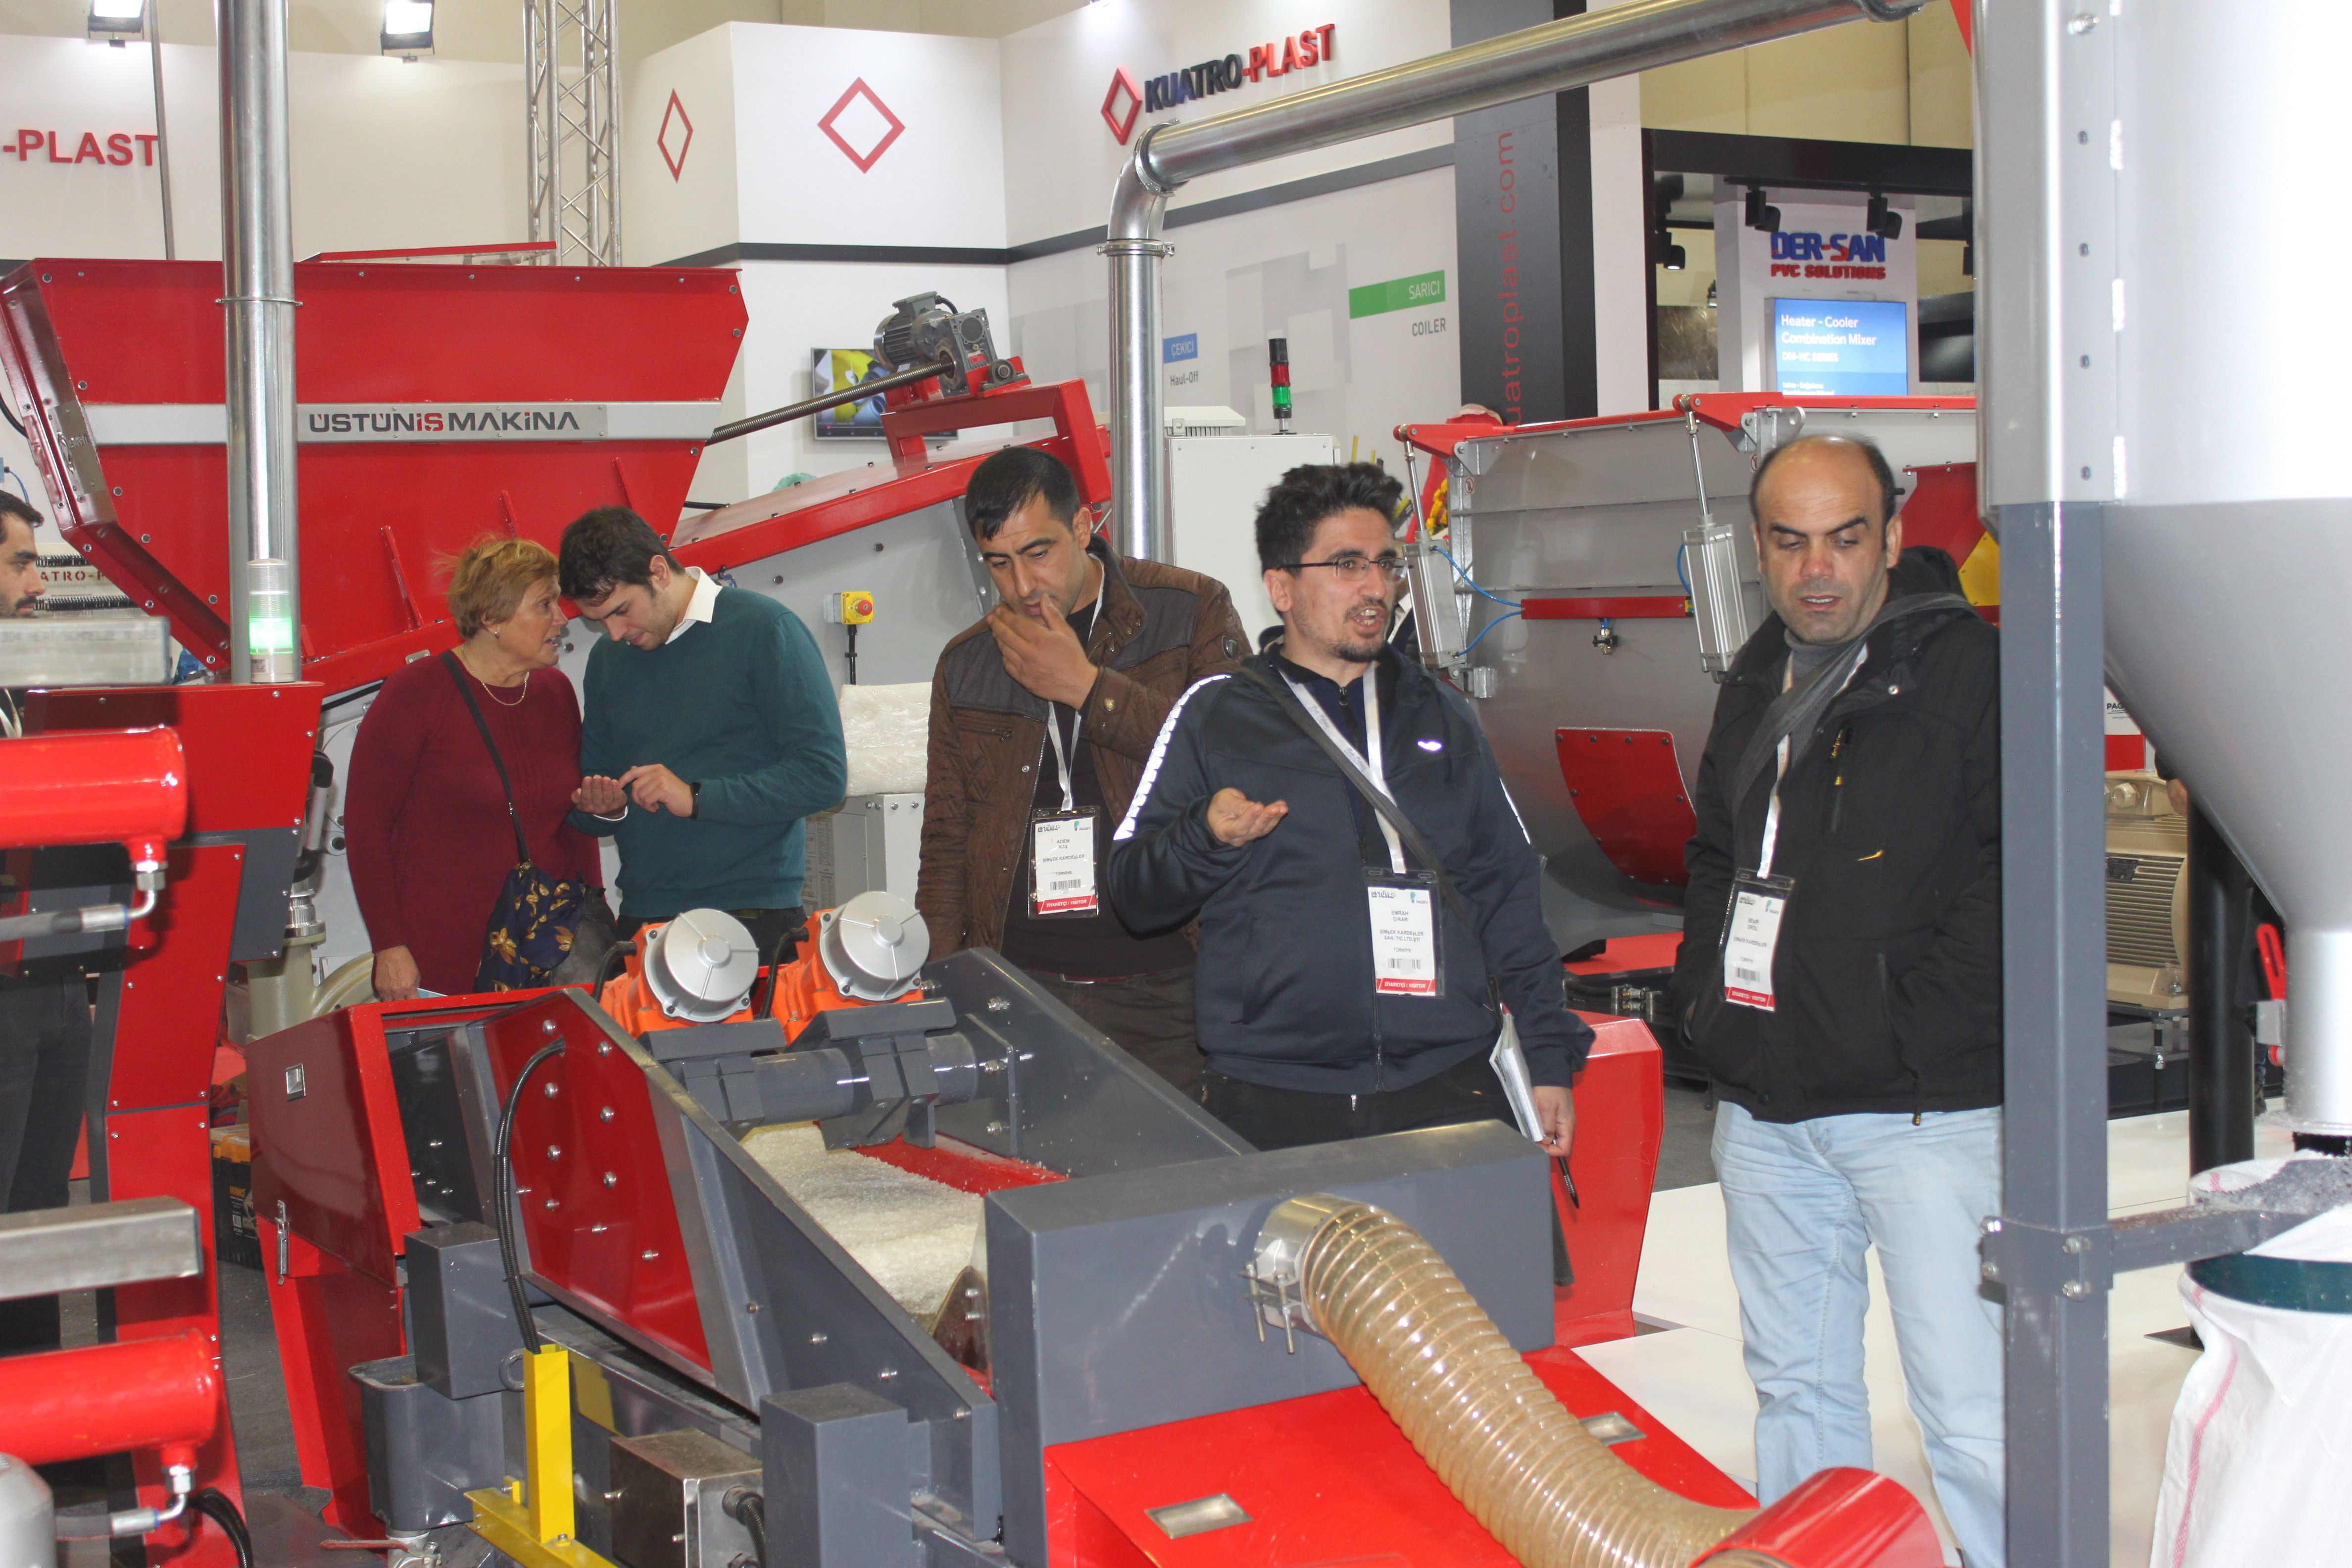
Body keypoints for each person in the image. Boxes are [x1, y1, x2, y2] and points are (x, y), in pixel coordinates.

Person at [1666, 435, 2004, 1565]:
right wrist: (1709, 1005)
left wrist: (1916, 1026)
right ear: (1757, 546)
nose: (1817, 568)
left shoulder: (1970, 671)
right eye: (1790, 540)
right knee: (1797, 1394)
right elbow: (1717, 852)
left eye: (1844, 537)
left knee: (1972, 1414)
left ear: (1892, 536)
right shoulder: (1757, 669)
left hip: (1921, 1112)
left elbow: (2021, 870)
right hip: (1767, 1105)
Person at [1105, 462, 1587, 1150]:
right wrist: (1203, 837)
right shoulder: (1214, 716)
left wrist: (1547, 1056)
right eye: (1347, 565)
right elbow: (1133, 892)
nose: (1376, 588)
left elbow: (1507, 893)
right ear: (1281, 588)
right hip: (1275, 1096)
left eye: (1386, 564)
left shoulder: (1442, 715)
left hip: (1450, 1082)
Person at [916, 447, 1246, 1093]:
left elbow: (1233, 760)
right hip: (1020, 986)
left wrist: (1091, 690)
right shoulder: (968, 662)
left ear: (1082, 525)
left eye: (1038, 552)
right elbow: (947, 839)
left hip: (1166, 984)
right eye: (998, 563)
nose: (1022, 585)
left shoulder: (1187, 609)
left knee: (1170, 1157)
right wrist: (939, 987)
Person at [560, 507, 845, 956]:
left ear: (658, 572)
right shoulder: (607, 662)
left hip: (752, 919)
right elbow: (593, 792)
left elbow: (823, 778)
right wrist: (604, 808)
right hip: (644, 921)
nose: (614, 634)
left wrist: (695, 797)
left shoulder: (764, 629)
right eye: (599, 621)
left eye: (621, 611)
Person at [344, 538, 602, 998]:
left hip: (551, 950)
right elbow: (367, 830)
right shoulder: (416, 693)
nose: (562, 619)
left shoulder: (555, 692)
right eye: (544, 604)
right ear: (492, 618)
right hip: (445, 954)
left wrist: (593, 914)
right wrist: (389, 946)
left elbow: (572, 820)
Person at [0, 492, 89, 1356]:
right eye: (22, 561)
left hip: (51, 975)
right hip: (6, 986)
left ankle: (34, 1399)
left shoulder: (16, 687)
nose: (38, 581)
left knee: (37, 1215)